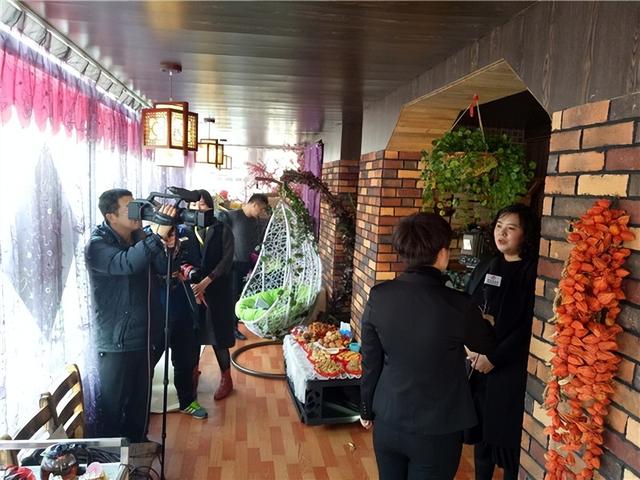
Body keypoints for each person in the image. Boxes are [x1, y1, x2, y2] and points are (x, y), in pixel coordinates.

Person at [360, 212, 496, 480]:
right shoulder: (459, 305)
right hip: (438, 427)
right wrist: (487, 322)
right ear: (442, 253)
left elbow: (370, 360)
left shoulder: (379, 296)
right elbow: (485, 344)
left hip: (388, 419)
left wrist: (365, 408)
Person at [86, 188, 176, 442]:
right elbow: (126, 263)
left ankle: (138, 449)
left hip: (144, 335)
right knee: (113, 409)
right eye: (130, 208)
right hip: (116, 341)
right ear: (111, 216)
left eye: (138, 205)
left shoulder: (140, 237)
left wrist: (168, 246)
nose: (138, 212)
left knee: (140, 404)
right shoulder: (97, 245)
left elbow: (163, 269)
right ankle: (111, 459)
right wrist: (155, 238)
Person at [464, 204, 540, 480]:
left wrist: (493, 358)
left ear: (525, 234)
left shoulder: (532, 272)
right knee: (482, 438)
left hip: (509, 370)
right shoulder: (488, 264)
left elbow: (528, 327)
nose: (502, 233)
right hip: (477, 365)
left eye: (511, 228)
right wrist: (470, 349)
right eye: (499, 226)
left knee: (507, 446)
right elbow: (466, 307)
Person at [190, 190, 236, 401]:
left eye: (201, 204)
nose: (197, 209)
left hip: (217, 289)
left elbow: (227, 260)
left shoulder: (222, 229)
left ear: (210, 206)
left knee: (218, 335)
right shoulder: (186, 229)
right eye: (193, 205)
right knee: (191, 335)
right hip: (192, 290)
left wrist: (206, 282)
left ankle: (226, 378)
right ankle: (193, 373)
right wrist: (194, 285)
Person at [159, 226, 208, 419]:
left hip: (181, 305)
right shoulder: (146, 237)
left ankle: (186, 402)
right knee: (148, 361)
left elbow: (195, 265)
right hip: (156, 309)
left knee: (185, 358)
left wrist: (187, 271)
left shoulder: (185, 233)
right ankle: (141, 408)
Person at [217, 193, 269, 340]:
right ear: (255, 204)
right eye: (261, 209)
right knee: (232, 296)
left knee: (242, 295)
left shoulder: (255, 221)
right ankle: (231, 329)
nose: (261, 212)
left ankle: (239, 323)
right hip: (232, 265)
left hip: (247, 264)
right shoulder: (232, 216)